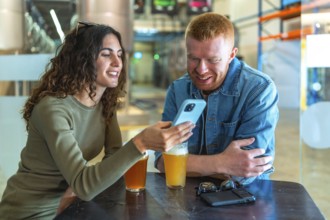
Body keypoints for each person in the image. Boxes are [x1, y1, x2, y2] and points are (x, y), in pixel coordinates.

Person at [0, 22, 195, 219]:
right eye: (106, 54)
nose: (118, 63)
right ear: (82, 60)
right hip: (31, 210)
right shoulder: (53, 109)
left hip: (71, 204)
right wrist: (141, 143)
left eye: (119, 54)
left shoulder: (105, 104)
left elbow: (113, 157)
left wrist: (74, 189)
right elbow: (85, 185)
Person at [155, 12, 279, 185]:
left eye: (213, 60)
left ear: (231, 55)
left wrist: (188, 165)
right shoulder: (178, 89)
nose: (201, 70)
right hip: (188, 195)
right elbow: (163, 162)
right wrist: (222, 163)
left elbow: (246, 170)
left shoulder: (259, 89)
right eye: (193, 59)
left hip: (247, 198)